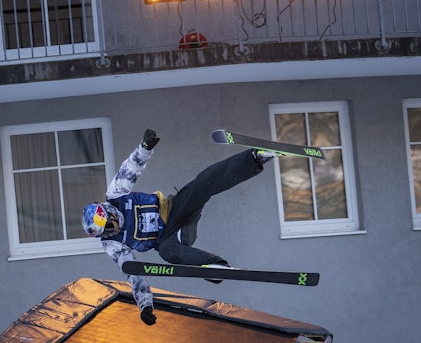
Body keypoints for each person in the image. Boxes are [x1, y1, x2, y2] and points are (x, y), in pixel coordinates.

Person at [82, 128, 277, 326]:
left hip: (175, 208)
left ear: (108, 213)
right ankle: (216, 267)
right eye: (105, 233)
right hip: (170, 238)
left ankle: (255, 158)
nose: (111, 231)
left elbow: (131, 168)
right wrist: (145, 305)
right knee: (167, 251)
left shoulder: (116, 195)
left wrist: (145, 147)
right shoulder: (112, 244)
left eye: (108, 227)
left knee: (201, 185)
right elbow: (133, 272)